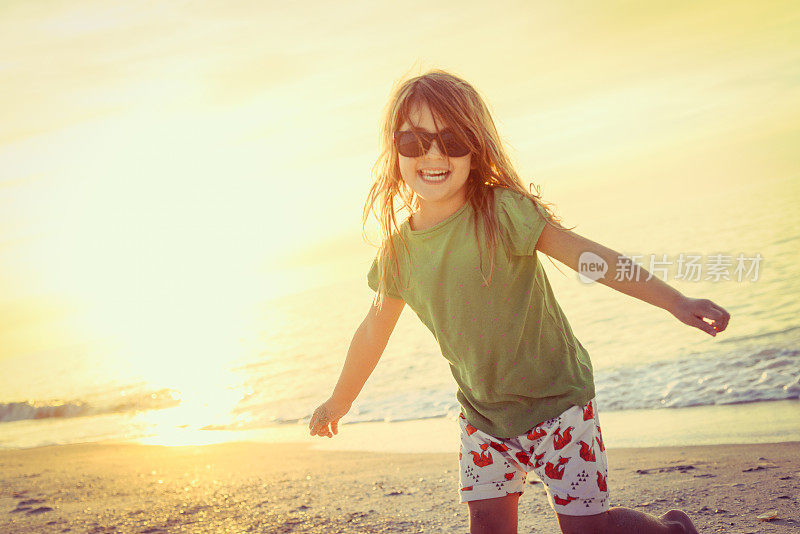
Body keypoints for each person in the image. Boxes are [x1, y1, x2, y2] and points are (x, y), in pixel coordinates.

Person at [308, 69, 729, 534]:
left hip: (559, 405)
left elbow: (589, 258)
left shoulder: (501, 212)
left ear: (475, 146)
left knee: (589, 531)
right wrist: (339, 400)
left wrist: (674, 300)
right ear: (395, 150)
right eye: (415, 141)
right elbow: (372, 330)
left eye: (450, 139)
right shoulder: (399, 254)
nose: (433, 154)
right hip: (484, 418)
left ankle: (672, 531)